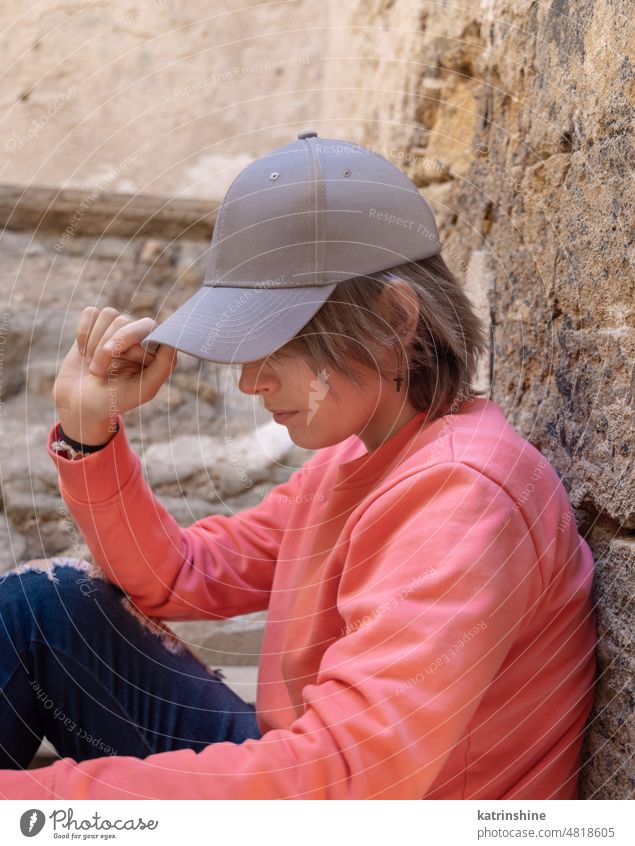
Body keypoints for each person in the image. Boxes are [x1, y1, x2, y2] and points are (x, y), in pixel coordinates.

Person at [0, 132, 596, 800]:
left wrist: (40, 804)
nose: (249, 380)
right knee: (42, 607)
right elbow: (181, 574)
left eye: (274, 340)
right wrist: (89, 433)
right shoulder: (356, 459)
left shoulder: (462, 496)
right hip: (314, 784)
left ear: (393, 318)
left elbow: (343, 779)